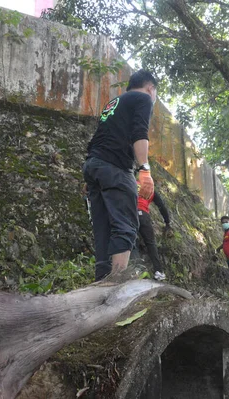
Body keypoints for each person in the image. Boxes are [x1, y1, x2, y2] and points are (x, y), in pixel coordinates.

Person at [83, 70, 157, 281]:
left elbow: (99, 136)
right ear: (150, 88)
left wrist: (90, 174)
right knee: (125, 226)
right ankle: (116, 285)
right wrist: (144, 168)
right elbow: (139, 132)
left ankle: (100, 285)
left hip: (95, 165)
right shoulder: (143, 98)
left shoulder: (114, 103)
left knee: (103, 229)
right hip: (115, 168)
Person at [136, 179, 171, 281]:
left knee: (132, 242)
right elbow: (162, 206)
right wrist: (167, 222)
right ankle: (158, 272)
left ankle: (136, 270)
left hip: (129, 213)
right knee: (150, 243)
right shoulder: (151, 189)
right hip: (143, 215)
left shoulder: (132, 183)